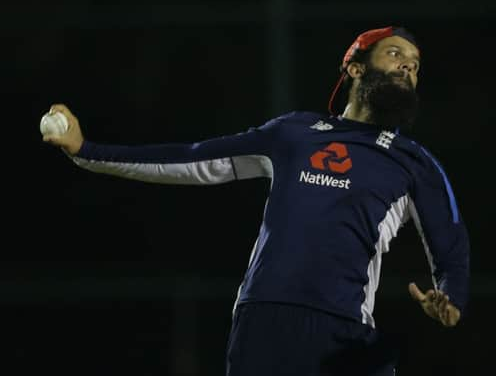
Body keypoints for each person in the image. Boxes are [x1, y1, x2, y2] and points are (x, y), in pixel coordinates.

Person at [43, 25, 470, 375]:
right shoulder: (293, 133)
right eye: (395, 55)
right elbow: (191, 159)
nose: (407, 69)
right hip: (265, 319)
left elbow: (450, 245)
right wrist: (87, 150)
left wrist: (451, 297)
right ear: (355, 67)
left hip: (346, 330)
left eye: (414, 66)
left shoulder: (414, 163)